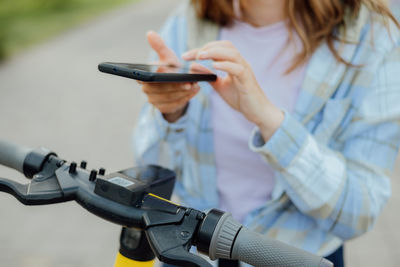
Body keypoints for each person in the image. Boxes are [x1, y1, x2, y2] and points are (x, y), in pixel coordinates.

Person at [133, 0, 400, 266]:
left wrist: (269, 121)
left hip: (292, 258)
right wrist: (171, 113)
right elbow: (151, 174)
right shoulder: (189, 20)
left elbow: (358, 213)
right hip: (188, 252)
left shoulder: (372, 37)